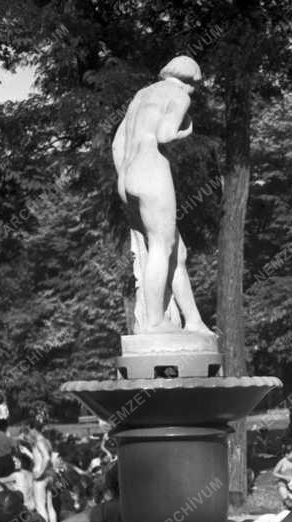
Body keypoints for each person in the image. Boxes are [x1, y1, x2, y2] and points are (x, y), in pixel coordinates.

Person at [112, 55, 213, 334]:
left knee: (175, 251)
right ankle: (155, 322)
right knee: (161, 247)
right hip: (151, 170)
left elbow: (117, 142)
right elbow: (165, 135)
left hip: (128, 175)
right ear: (189, 81)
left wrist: (125, 176)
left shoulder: (141, 95)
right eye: (195, 86)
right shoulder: (179, 96)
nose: (194, 92)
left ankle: (194, 321)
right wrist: (187, 129)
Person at [19, 424, 56, 522]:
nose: (27, 440)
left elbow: (47, 458)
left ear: (28, 433)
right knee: (49, 505)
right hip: (50, 475)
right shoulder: (46, 441)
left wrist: (40, 473)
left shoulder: (39, 442)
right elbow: (38, 459)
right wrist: (27, 452)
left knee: (40, 506)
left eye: (26, 438)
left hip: (41, 477)